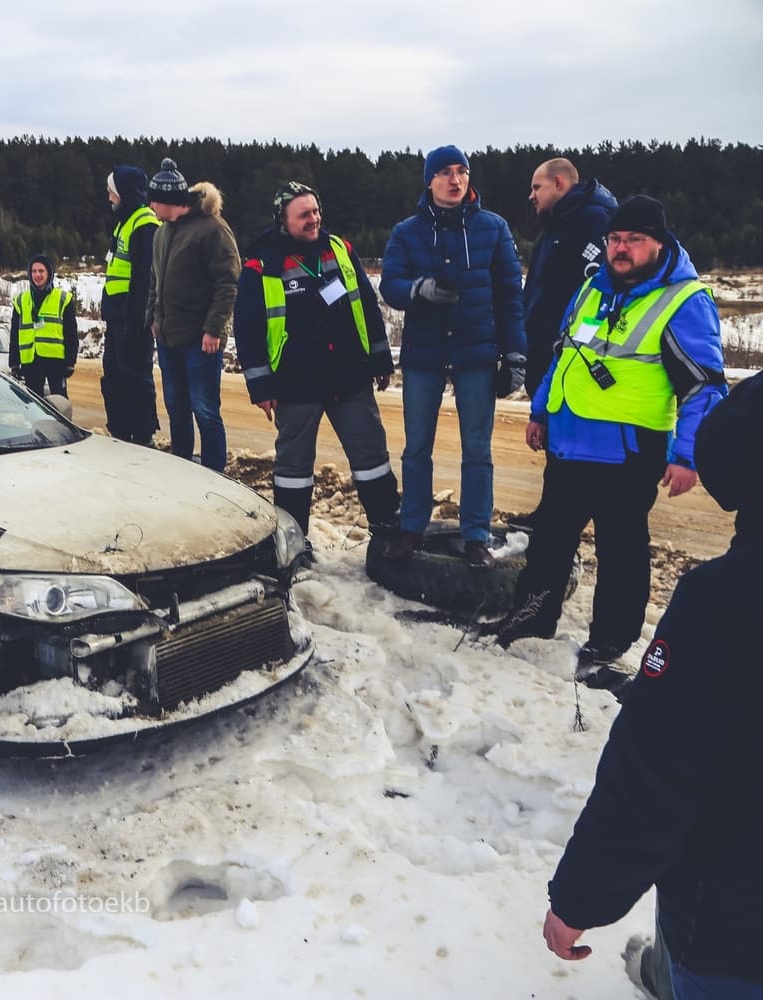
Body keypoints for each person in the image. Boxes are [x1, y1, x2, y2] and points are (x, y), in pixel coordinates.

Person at [541, 372, 760, 997]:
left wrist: (580, 896)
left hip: (734, 936)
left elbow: (654, 771)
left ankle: (673, 970)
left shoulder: (723, 603)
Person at [490, 196, 727, 674]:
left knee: (621, 551)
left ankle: (610, 642)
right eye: (615, 239)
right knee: (552, 540)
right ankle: (534, 618)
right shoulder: (593, 289)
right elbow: (564, 355)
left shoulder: (683, 301)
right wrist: (540, 412)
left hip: (628, 452)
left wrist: (688, 456)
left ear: (658, 244)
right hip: (568, 442)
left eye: (634, 240)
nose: (621, 248)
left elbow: (703, 386)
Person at [380, 145, 527, 567]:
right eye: (445, 172)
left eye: (461, 171)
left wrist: (515, 354)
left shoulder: (492, 228)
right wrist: (418, 289)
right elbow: (390, 285)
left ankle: (476, 535)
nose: (455, 179)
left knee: (477, 449)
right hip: (425, 354)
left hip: (476, 351)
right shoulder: (406, 232)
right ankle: (412, 528)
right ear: (429, 180)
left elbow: (509, 297)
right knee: (417, 447)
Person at [234, 181, 399, 546]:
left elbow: (367, 308)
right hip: (295, 384)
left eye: (316, 211)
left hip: (350, 377)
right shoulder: (261, 264)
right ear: (283, 219)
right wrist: (260, 385)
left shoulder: (340, 250)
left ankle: (388, 534)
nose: (314, 220)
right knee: (294, 471)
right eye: (304, 214)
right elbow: (247, 329)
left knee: (372, 458)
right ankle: (294, 543)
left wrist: (380, 358)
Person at [144, 157, 240, 472]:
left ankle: (214, 474)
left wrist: (214, 329)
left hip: (202, 341)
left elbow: (228, 282)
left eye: (154, 201)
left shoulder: (212, 229)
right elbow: (155, 280)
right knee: (176, 407)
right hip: (169, 339)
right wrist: (153, 318)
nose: (152, 207)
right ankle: (182, 469)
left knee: (206, 411)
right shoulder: (162, 233)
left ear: (166, 201)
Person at [525, 158, 618, 393]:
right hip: (546, 358)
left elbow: (601, 293)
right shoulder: (553, 229)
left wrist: (572, 343)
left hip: (572, 360)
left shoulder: (594, 222)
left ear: (558, 182)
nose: (531, 196)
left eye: (537, 187)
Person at [101, 165, 161, 446]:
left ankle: (143, 437)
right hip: (116, 319)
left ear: (124, 192)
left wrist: (136, 322)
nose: (109, 196)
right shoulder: (124, 222)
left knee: (135, 379)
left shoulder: (144, 222)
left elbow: (143, 279)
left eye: (112, 190)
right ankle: (121, 432)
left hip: (132, 320)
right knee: (114, 378)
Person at [8, 254, 77, 397]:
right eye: (34, 271)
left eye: (41, 271)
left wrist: (70, 361)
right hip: (31, 362)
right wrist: (14, 362)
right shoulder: (21, 300)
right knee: (32, 404)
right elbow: (14, 334)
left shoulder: (63, 298)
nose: (37, 275)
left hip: (56, 362)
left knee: (59, 402)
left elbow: (71, 333)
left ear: (49, 273)